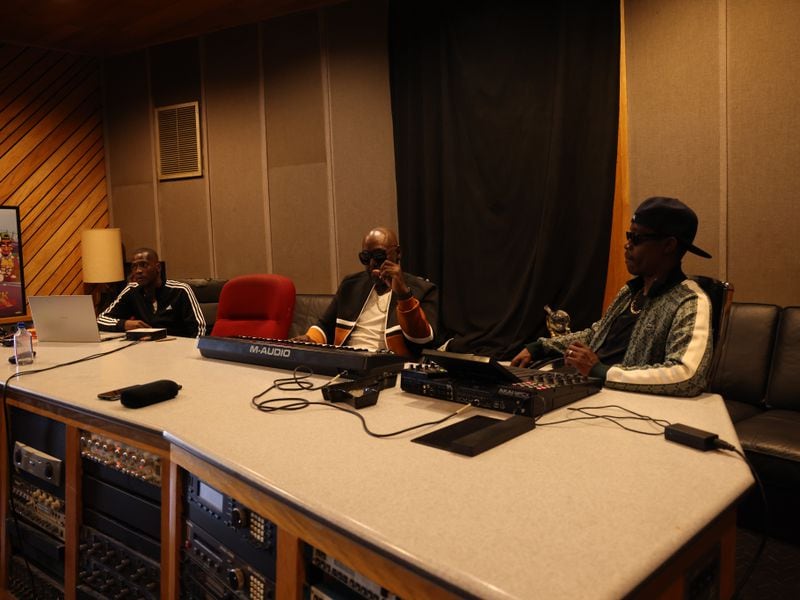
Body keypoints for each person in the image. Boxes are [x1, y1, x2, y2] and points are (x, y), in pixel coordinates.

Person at [511, 197, 713, 397]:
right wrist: (540, 347)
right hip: (591, 391)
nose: (627, 245)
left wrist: (601, 371)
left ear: (668, 245)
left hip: (627, 403)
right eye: (628, 235)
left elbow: (687, 376)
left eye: (637, 238)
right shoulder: (629, 292)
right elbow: (595, 335)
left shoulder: (690, 301)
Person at [293, 227, 438, 357]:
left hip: (389, 366)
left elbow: (423, 341)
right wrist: (309, 339)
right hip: (345, 361)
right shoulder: (350, 285)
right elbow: (325, 325)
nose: (372, 264)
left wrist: (403, 295)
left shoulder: (423, 289)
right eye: (366, 258)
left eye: (379, 256)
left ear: (398, 253)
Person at [97, 247, 206, 338]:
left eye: (144, 265)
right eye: (134, 267)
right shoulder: (132, 290)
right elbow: (100, 320)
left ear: (158, 267)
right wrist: (125, 324)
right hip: (145, 351)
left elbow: (199, 330)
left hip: (178, 349)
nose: (138, 271)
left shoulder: (180, 290)